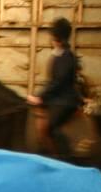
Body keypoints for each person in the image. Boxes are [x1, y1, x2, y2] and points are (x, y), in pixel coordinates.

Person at [27, 17, 83, 158]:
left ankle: (62, 158)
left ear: (57, 37)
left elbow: (58, 81)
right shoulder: (59, 54)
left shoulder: (66, 56)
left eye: (52, 36)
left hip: (65, 101)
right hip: (56, 98)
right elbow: (52, 82)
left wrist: (40, 97)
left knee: (50, 127)